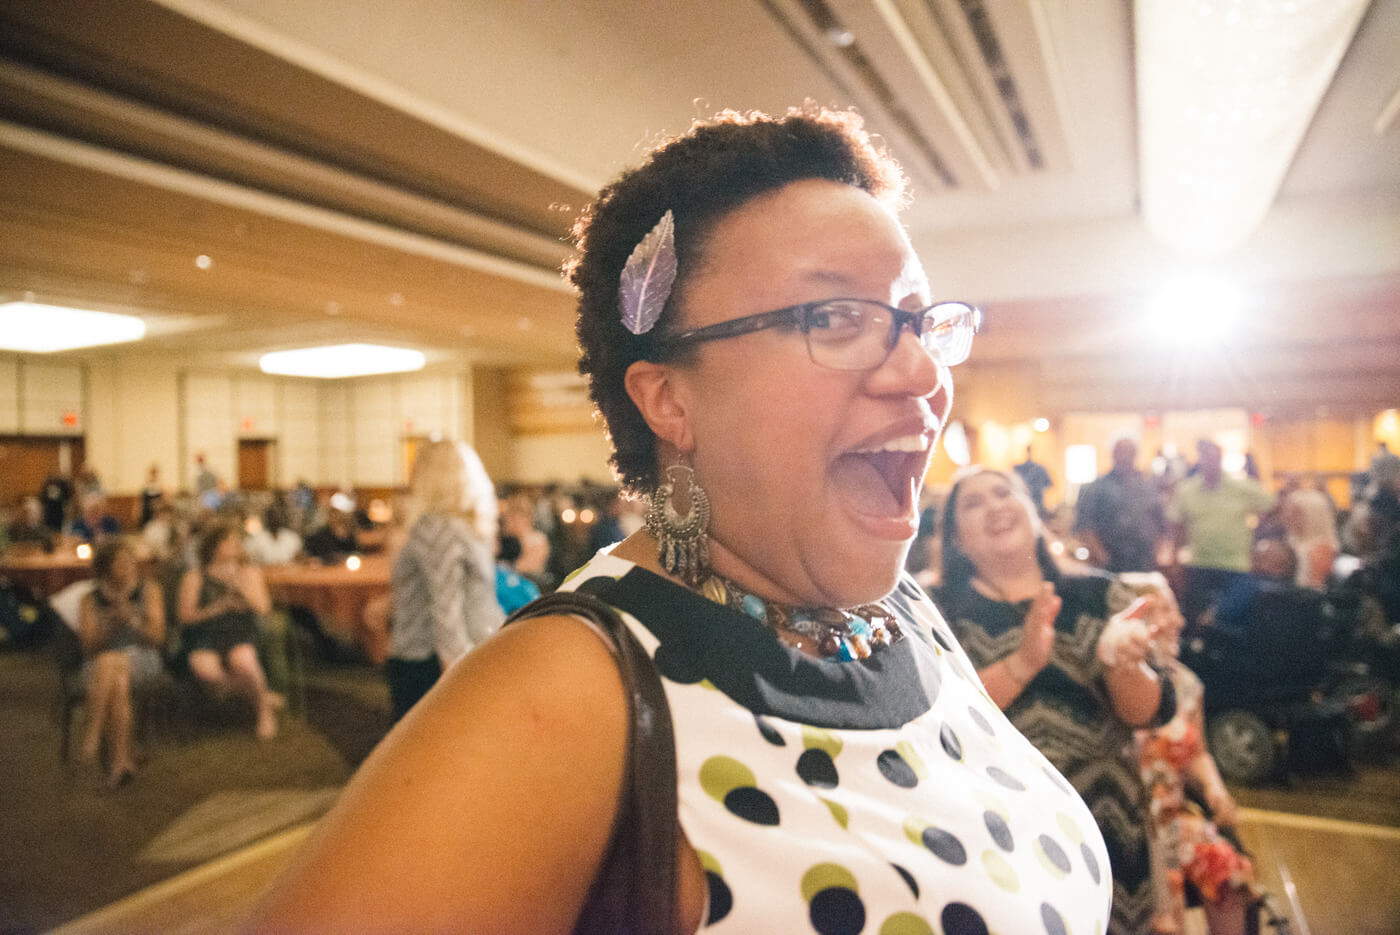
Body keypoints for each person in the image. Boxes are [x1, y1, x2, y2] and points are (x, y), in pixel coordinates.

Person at [250, 107, 1111, 934]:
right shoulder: (569, 699)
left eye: (920, 320)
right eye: (836, 317)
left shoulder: (896, 613)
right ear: (668, 398)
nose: (923, 371)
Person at [936, 466, 1175, 934]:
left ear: (1033, 512)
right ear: (957, 540)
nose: (995, 506)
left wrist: (1126, 665)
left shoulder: (1100, 593)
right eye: (973, 502)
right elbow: (938, 717)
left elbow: (1145, 713)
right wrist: (1022, 663)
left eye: (1005, 493)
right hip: (998, 831)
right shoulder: (939, 611)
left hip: (1107, 817)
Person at [1125, 575, 1257, 935]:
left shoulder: (1186, 685)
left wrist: (1216, 790)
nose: (1180, 621)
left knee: (1228, 871)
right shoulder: (1118, 687)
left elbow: (1197, 751)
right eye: (1165, 611)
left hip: (1175, 819)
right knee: (1167, 900)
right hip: (1133, 827)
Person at [382, 439, 503, 723]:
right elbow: (447, 603)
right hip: (454, 655)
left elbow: (444, 603)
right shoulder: (450, 527)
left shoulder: (439, 527)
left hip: (440, 658)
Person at [176, 524, 281, 739]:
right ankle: (260, 694)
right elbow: (185, 617)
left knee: (243, 662)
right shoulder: (196, 576)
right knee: (206, 671)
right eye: (228, 541)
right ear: (213, 546)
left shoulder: (249, 572)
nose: (234, 545)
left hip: (240, 630)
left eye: (236, 541)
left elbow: (263, 608)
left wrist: (240, 585)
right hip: (205, 633)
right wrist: (219, 607)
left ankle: (264, 710)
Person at [77, 539, 166, 788]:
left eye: (130, 561)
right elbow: (88, 648)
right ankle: (121, 763)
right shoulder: (90, 599)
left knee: (111, 664)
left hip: (142, 657)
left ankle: (92, 736)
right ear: (106, 568)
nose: (128, 566)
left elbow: (157, 639)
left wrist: (132, 620)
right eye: (121, 563)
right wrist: (109, 626)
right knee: (115, 674)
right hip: (101, 665)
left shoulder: (149, 591)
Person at [1169, 439, 1274, 625]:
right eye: (1205, 456)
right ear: (1199, 458)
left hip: (1236, 566)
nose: (1209, 461)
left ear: (1220, 458)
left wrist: (1259, 541)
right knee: (1195, 621)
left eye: (1213, 457)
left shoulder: (1241, 487)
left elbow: (1272, 507)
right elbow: (1178, 527)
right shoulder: (1186, 490)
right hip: (1199, 564)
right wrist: (1175, 560)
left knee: (1230, 621)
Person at [1074, 436, 1168, 573]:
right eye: (1121, 451)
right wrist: (1102, 556)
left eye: (1129, 451)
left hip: (1144, 562)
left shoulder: (1149, 486)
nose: (1125, 456)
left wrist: (1157, 555)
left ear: (1135, 454)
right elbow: (1085, 526)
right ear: (1113, 453)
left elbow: (1161, 523)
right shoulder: (1096, 487)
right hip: (1110, 563)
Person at [1281, 487, 1339, 590]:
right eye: (1287, 511)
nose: (1288, 517)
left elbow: (1312, 593)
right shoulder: (1291, 543)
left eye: (1296, 513)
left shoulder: (1321, 550)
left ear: (1313, 516)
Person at [1013, 445, 1053, 516]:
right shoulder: (1039, 469)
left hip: (1027, 503)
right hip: (1034, 504)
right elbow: (1049, 484)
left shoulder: (1019, 469)